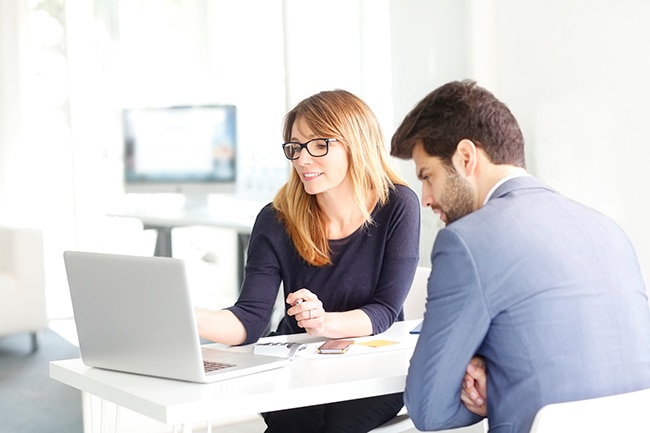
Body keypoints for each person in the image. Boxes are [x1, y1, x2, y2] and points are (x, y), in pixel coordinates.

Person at [390, 79, 650, 433]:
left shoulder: (466, 241)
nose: (425, 198)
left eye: (427, 176)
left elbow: (429, 409)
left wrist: (490, 384)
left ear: (466, 157)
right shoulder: (610, 230)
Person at [196, 89, 421, 433]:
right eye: (296, 147)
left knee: (331, 423)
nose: (302, 159)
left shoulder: (398, 206)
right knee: (296, 418)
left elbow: (385, 310)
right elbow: (251, 318)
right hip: (296, 369)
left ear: (355, 144)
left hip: (369, 369)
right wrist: (187, 319)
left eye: (319, 145)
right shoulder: (276, 218)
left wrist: (324, 322)